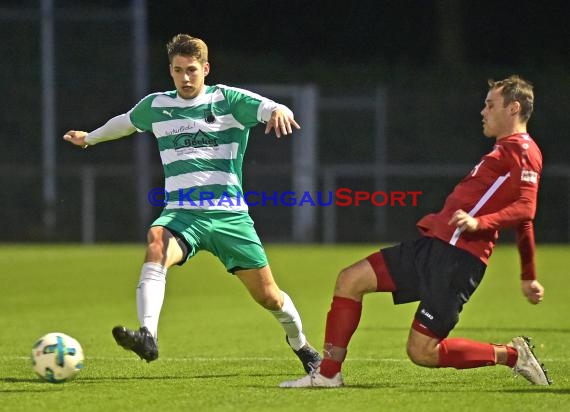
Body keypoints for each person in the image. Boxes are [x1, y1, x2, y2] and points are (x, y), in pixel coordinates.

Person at [63, 33, 321, 373]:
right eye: (178, 70)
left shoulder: (227, 100)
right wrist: (90, 138)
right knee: (157, 242)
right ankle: (148, 336)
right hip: (183, 215)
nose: (185, 77)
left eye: (192, 70)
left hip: (229, 218)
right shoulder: (157, 106)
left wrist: (281, 110)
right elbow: (124, 123)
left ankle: (302, 346)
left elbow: (268, 106)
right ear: (170, 71)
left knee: (270, 297)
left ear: (206, 69)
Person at [280, 75, 552, 388]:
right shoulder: (503, 149)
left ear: (513, 108)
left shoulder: (524, 150)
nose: (483, 111)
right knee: (350, 279)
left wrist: (482, 225)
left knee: (422, 352)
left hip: (459, 260)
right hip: (434, 246)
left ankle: (512, 355)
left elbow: (525, 212)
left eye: (490, 104)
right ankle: (328, 374)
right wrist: (528, 275)